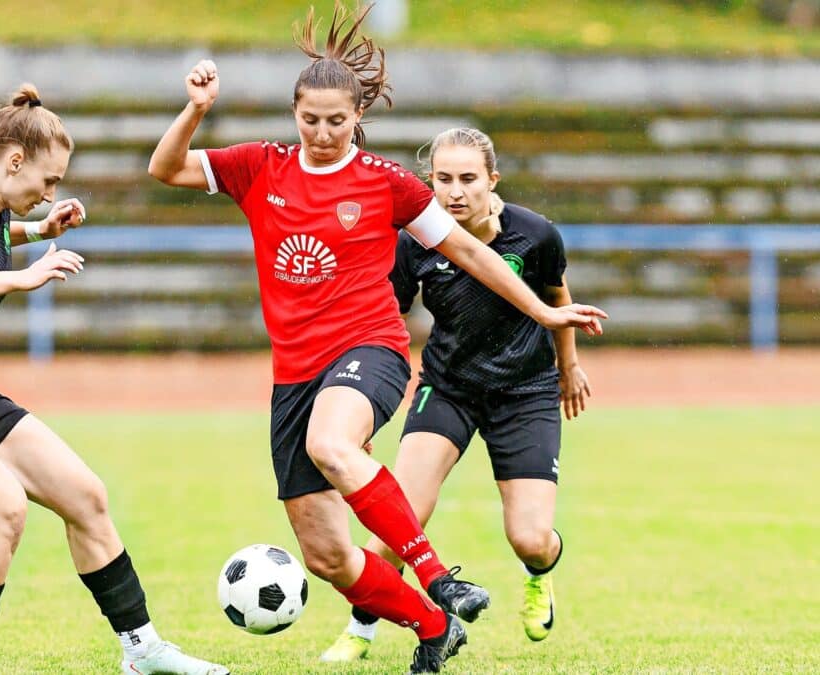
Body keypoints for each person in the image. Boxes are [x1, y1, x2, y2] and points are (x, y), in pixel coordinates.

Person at [148, 3, 606, 672]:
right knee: (327, 554)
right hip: (294, 374)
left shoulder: (386, 182)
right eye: (312, 119)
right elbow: (167, 168)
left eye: (339, 120)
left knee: (333, 443)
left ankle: (438, 577)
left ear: (358, 116)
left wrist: (543, 310)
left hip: (370, 349)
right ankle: (432, 623)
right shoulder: (259, 168)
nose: (326, 132)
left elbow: (473, 255)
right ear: (295, 113)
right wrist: (194, 110)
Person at [0, 84, 228, 675]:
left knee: (86, 496)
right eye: (47, 182)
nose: (50, 192)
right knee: (4, 508)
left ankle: (142, 649)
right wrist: (24, 278)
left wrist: (41, 229)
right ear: (14, 161)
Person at [320, 127, 589, 663]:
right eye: (443, 179)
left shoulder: (535, 235)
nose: (455, 191)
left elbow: (558, 299)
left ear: (493, 180)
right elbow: (383, 324)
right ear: (430, 182)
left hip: (525, 392)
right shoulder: (413, 242)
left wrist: (570, 367)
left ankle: (539, 576)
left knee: (531, 538)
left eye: (468, 179)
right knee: (404, 515)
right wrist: (359, 416)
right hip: (448, 387)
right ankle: (361, 627)